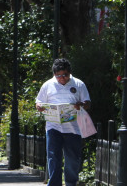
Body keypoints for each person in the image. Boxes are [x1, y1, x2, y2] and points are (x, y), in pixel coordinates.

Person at [36, 58, 91, 186]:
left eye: (64, 75)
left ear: (69, 73)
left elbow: (87, 103)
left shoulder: (79, 84)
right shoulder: (47, 85)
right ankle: (54, 183)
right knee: (53, 157)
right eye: (58, 76)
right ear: (54, 75)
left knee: (72, 159)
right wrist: (39, 106)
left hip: (73, 128)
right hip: (53, 127)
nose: (61, 78)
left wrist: (81, 105)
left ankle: (70, 183)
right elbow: (39, 101)